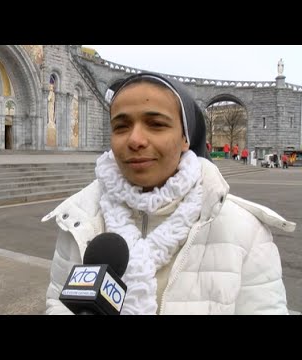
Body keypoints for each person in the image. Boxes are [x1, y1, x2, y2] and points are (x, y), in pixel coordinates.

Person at [42, 71, 295, 315]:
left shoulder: (245, 230)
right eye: (121, 126)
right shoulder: (78, 218)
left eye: (156, 124)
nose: (135, 139)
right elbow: (59, 303)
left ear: (186, 137)